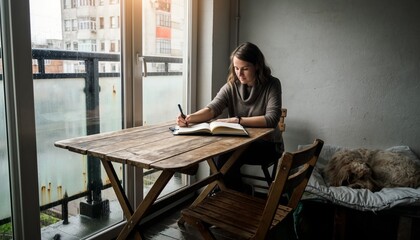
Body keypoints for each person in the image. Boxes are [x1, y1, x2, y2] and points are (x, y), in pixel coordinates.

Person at [176, 42, 284, 193]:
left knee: (225, 155)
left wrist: (237, 120)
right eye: (236, 68)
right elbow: (212, 109)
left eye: (245, 69)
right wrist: (189, 118)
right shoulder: (232, 85)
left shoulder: (272, 84)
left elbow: (272, 119)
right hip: (238, 143)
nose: (239, 74)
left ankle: (225, 193)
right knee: (217, 153)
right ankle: (234, 192)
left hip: (267, 145)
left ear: (257, 66)